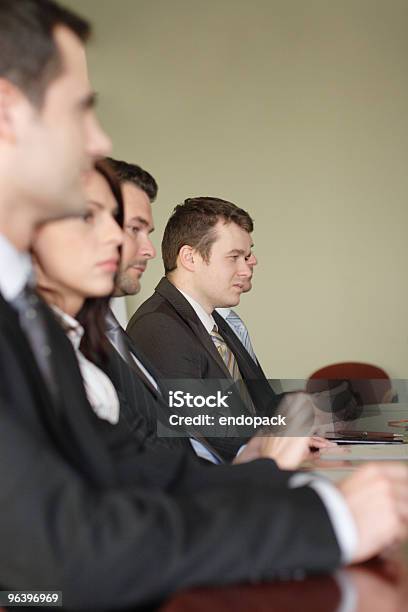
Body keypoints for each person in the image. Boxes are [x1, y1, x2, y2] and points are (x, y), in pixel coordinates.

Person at [1, 2, 408, 608]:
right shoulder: (159, 326)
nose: (124, 242)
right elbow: (203, 423)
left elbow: (181, 446)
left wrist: (305, 439)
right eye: (237, 257)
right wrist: (310, 502)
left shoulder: (37, 320)